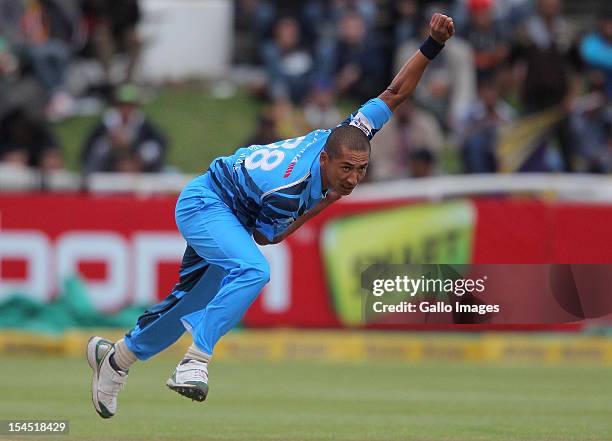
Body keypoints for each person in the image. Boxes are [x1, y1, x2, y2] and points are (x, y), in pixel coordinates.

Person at [86, 13, 455, 418]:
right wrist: (325, 203)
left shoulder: (353, 131)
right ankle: (195, 361)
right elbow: (269, 237)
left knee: (183, 307)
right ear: (327, 158)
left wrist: (431, 47)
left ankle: (116, 360)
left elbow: (395, 92)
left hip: (232, 211)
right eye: (345, 169)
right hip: (206, 202)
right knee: (254, 271)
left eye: (360, 170)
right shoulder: (290, 189)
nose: (352, 179)